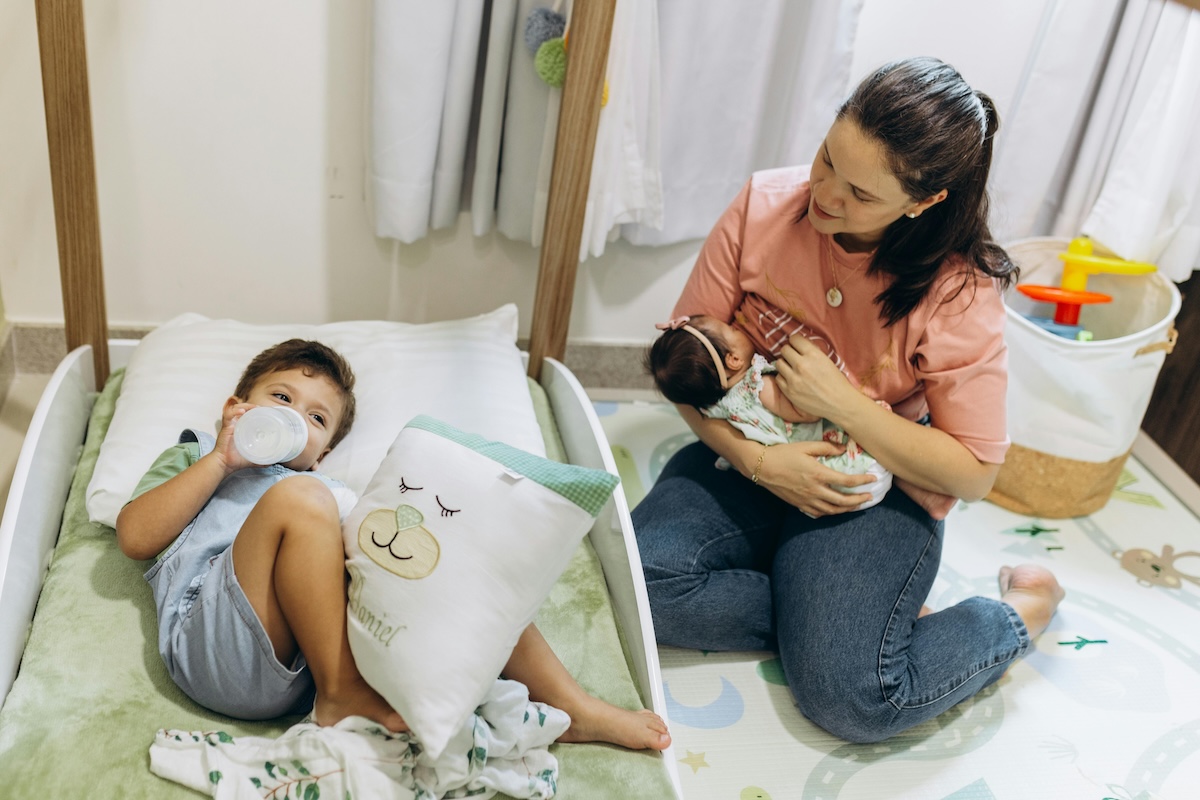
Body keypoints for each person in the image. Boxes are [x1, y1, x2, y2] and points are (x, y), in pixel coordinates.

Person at [631, 57, 1065, 744]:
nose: (825, 194)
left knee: (854, 699)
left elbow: (973, 472)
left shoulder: (958, 291)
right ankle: (837, 621)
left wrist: (848, 403)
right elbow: (688, 371)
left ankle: (1020, 612)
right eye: (826, 158)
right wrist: (760, 465)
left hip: (873, 491)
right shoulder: (763, 205)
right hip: (743, 458)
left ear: (922, 202)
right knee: (639, 584)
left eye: (860, 194)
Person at [117, 338, 670, 750]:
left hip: (295, 665)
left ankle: (569, 704)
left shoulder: (325, 489)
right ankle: (343, 692)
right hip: (210, 646)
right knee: (303, 502)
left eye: (315, 418)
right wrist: (221, 456)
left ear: (324, 453)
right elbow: (137, 537)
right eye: (280, 397)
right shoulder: (197, 457)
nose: (292, 416)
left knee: (439, 555)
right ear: (236, 408)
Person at [644, 313, 892, 512]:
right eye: (733, 330)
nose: (737, 326)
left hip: (810, 491)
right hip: (852, 476)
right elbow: (808, 414)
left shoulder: (713, 408)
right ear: (733, 360)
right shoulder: (759, 387)